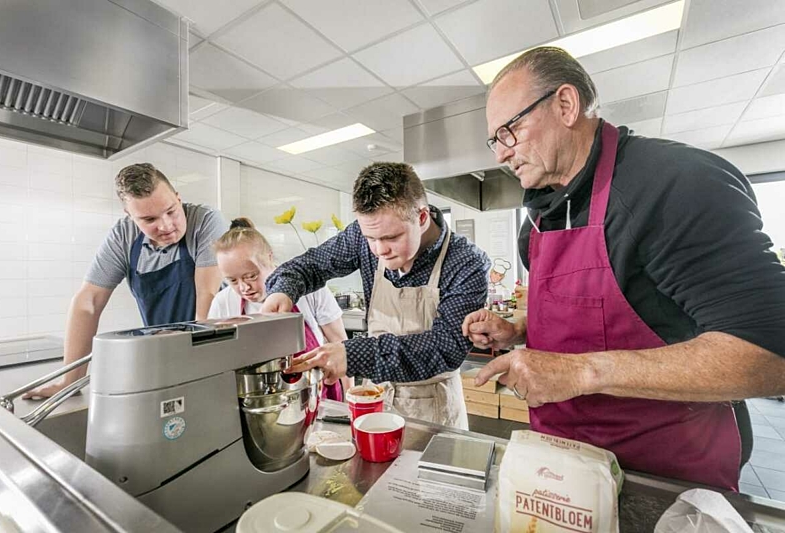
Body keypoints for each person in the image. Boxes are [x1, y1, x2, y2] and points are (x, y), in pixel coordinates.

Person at [462, 46, 785, 490]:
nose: (501, 154)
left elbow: (769, 354)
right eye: (494, 140)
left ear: (565, 105)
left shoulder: (674, 184)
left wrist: (581, 372)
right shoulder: (539, 215)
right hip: (564, 464)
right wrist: (518, 326)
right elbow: (610, 311)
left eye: (508, 131)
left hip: (664, 474)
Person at [261, 162, 490, 430]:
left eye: (392, 237)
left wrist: (353, 355)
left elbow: (444, 347)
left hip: (433, 408)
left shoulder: (466, 262)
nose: (380, 250)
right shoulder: (362, 237)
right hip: (375, 398)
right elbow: (308, 265)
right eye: (371, 238)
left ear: (422, 217)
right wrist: (283, 290)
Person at [26, 163, 226, 398]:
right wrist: (70, 383)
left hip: (214, 351)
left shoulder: (204, 221)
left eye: (171, 211)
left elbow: (207, 296)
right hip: (163, 356)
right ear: (130, 217)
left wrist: (200, 366)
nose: (166, 225)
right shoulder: (123, 236)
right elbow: (87, 302)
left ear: (178, 198)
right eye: (149, 219)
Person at [208, 217, 351, 398]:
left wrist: (350, 401)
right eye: (232, 280)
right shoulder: (223, 303)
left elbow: (340, 344)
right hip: (258, 399)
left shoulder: (309, 289)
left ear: (269, 258)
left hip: (316, 392)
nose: (244, 287)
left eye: (251, 276)